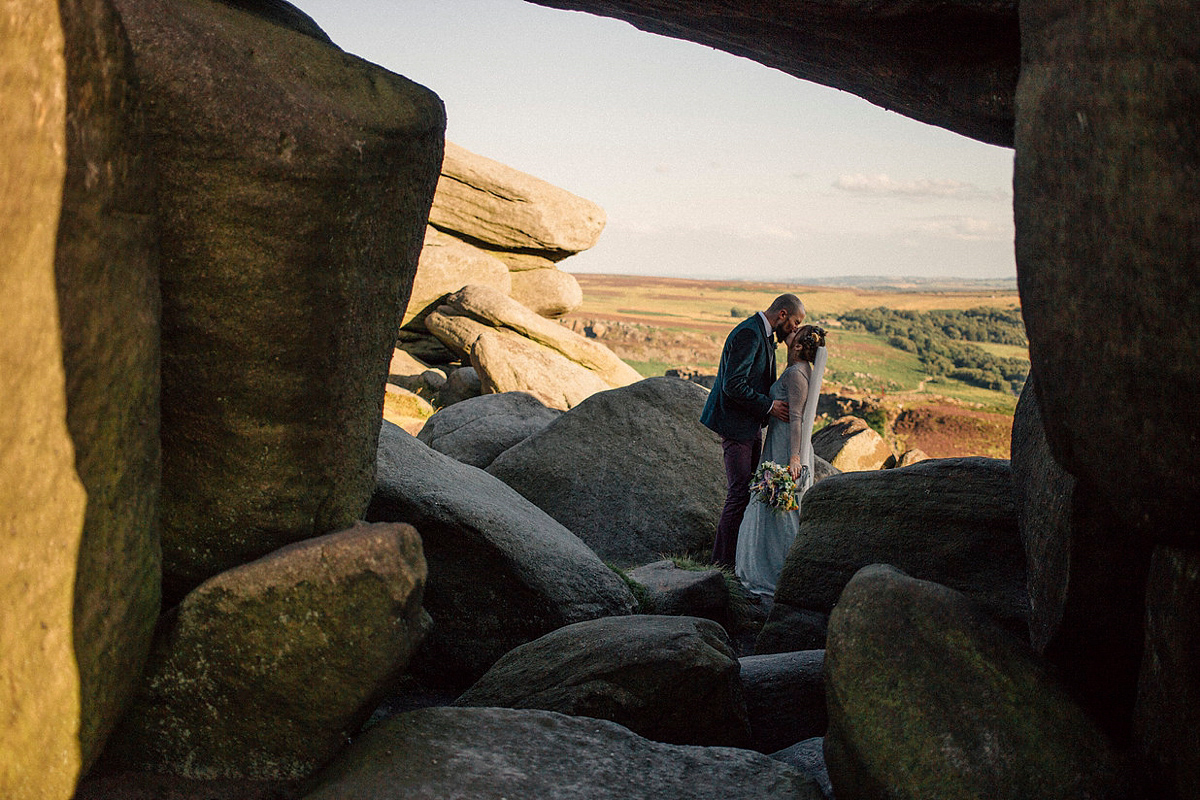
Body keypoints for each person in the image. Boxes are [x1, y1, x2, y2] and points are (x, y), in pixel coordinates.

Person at [700, 294, 805, 567]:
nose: (795, 328)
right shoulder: (749, 333)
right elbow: (733, 385)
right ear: (782, 314)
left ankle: (737, 559)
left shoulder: (763, 333)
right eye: (795, 322)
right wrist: (769, 406)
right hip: (736, 425)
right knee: (738, 493)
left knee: (747, 490)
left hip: (749, 424)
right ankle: (720, 566)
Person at [734, 324, 828, 597]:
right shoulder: (798, 370)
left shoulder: (797, 374)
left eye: (796, 334)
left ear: (797, 347)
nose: (793, 329)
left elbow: (797, 418)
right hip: (780, 440)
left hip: (786, 446)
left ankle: (771, 571)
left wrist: (795, 457)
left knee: (779, 507)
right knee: (773, 504)